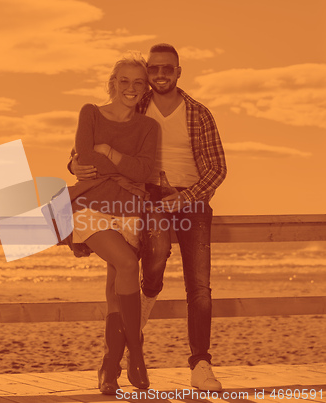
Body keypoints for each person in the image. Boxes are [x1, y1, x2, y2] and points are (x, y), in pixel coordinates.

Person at [70, 43, 227, 392]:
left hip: (190, 199)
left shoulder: (197, 113)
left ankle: (199, 363)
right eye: (153, 69)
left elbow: (217, 170)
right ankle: (143, 307)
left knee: (199, 285)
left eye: (166, 69)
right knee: (151, 261)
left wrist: (182, 198)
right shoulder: (134, 104)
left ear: (178, 72)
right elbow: (85, 150)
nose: (158, 75)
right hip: (145, 199)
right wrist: (76, 164)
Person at [67, 52, 159, 394]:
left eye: (138, 82)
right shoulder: (90, 112)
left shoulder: (149, 127)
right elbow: (85, 158)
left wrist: (108, 152)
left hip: (130, 210)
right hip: (91, 206)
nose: (131, 88)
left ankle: (109, 367)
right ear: (113, 83)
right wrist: (100, 160)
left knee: (114, 293)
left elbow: (144, 171)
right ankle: (137, 356)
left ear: (145, 87)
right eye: (124, 81)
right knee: (126, 262)